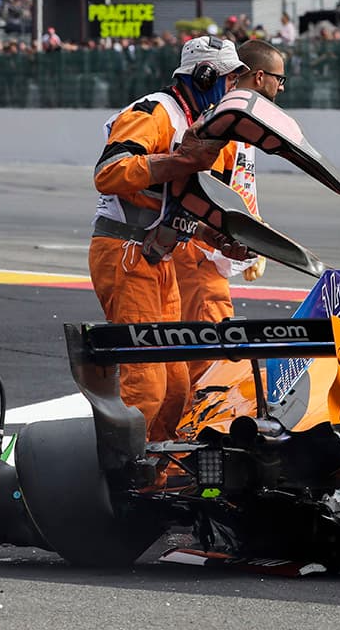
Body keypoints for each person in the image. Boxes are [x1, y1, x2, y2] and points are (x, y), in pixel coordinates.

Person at [89, 35, 252, 441]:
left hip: (157, 257)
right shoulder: (155, 111)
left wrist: (219, 239)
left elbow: (179, 206)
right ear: (205, 75)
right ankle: (122, 481)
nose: (233, 88)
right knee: (147, 385)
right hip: (126, 253)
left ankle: (157, 478)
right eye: (230, 79)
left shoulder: (195, 123)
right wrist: (180, 161)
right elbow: (108, 173)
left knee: (178, 388)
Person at [157, 39, 284, 436]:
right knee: (211, 357)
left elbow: (239, 186)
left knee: (204, 353)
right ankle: (191, 445)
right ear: (259, 77)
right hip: (201, 254)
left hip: (211, 252)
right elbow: (204, 187)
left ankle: (182, 439)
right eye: (279, 79)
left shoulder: (238, 117)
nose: (282, 88)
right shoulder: (221, 118)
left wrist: (254, 235)